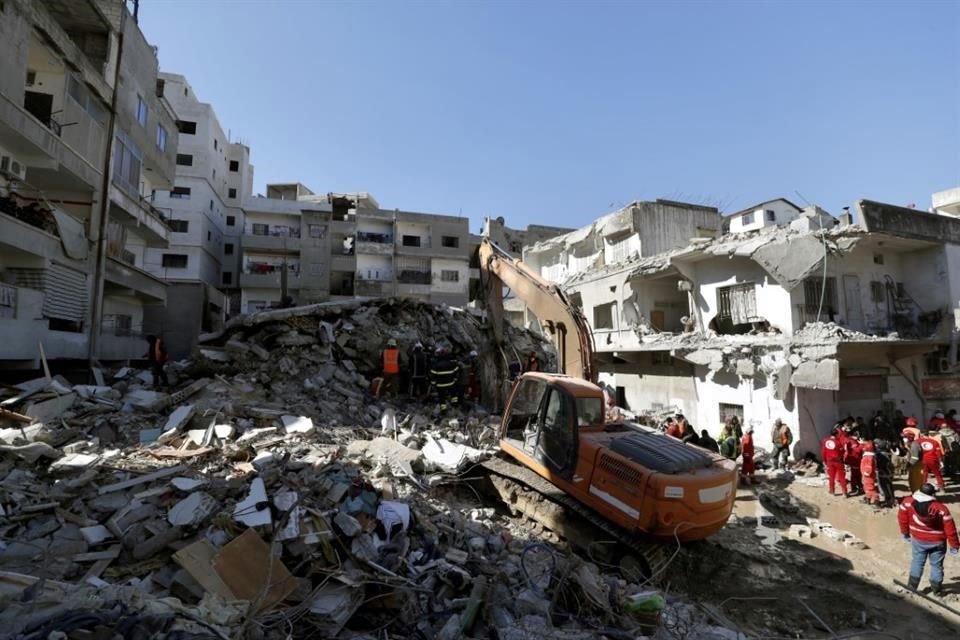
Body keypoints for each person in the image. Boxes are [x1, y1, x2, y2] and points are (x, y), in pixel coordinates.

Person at [897, 483, 960, 595]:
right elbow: (951, 530)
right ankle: (937, 590)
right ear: (932, 494)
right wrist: (954, 545)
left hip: (918, 539)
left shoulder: (907, 503)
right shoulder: (941, 509)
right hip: (938, 542)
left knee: (917, 562)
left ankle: (912, 586)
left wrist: (905, 533)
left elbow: (902, 519)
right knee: (937, 566)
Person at [822, 425, 848, 497]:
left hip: (829, 461)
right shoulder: (838, 443)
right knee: (842, 477)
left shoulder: (825, 441)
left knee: (831, 477)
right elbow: (842, 452)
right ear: (837, 434)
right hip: (838, 461)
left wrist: (824, 461)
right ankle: (844, 492)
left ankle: (832, 491)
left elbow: (823, 452)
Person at [875, 440, 897, 507]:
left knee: (885, 487)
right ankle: (892, 499)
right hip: (889, 473)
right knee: (889, 486)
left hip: (883, 473)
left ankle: (889, 500)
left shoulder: (879, 455)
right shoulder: (889, 453)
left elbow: (879, 465)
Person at [860, 441, 880, 506]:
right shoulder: (868, 455)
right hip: (867, 475)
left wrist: (867, 473)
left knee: (870, 488)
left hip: (868, 476)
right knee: (866, 487)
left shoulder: (869, 457)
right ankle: (868, 498)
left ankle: (876, 501)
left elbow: (869, 466)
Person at [846, 431, 864, 496]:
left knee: (856, 475)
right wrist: (861, 445)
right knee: (856, 475)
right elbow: (857, 451)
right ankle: (856, 487)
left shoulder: (850, 441)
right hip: (855, 461)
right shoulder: (852, 442)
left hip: (854, 460)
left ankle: (857, 486)